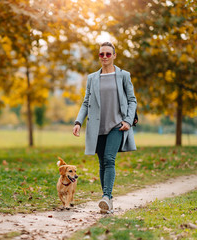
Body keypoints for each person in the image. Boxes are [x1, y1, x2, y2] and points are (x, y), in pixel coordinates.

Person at [72, 42, 137, 214]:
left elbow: (132, 100)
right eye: (102, 54)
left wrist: (128, 121)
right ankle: (108, 201)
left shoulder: (123, 75)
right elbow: (86, 102)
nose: (105, 57)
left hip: (117, 125)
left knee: (109, 159)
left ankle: (106, 197)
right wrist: (78, 122)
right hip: (97, 126)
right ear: (99, 56)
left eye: (108, 54)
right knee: (102, 163)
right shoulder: (93, 78)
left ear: (114, 56)